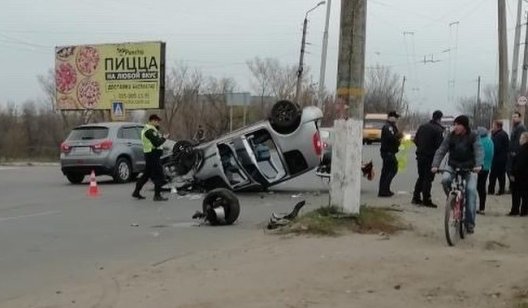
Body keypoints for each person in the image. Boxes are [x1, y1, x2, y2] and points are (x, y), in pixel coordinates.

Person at [431, 115, 484, 234]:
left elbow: (479, 150)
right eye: (454, 124)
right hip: (453, 165)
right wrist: (435, 165)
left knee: (470, 192)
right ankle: (452, 200)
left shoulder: (473, 136)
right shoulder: (450, 136)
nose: (455, 127)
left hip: (469, 168)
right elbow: (441, 150)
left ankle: (470, 223)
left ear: (464, 126)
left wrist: (479, 165)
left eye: (458, 125)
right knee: (445, 180)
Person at [411, 110, 445, 207]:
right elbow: (440, 145)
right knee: (428, 178)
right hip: (430, 157)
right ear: (439, 119)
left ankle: (416, 197)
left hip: (420, 155)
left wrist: (421, 147)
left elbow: (415, 140)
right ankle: (427, 199)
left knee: (421, 177)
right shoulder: (438, 130)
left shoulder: (422, 127)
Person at [132, 114, 169, 201]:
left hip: (150, 154)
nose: (158, 123)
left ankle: (136, 192)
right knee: (159, 174)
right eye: (156, 121)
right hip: (153, 155)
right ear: (152, 121)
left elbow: (155, 140)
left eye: (158, 121)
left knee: (146, 174)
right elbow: (157, 143)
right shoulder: (149, 131)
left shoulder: (151, 130)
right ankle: (157, 195)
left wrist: (159, 132)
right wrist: (164, 138)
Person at [378, 111, 402, 197]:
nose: (396, 119)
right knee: (392, 169)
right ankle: (384, 190)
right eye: (395, 117)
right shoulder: (388, 127)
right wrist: (398, 136)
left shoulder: (392, 126)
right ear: (391, 117)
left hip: (389, 152)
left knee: (386, 171)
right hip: (388, 152)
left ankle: (384, 190)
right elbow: (391, 138)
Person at [508, 132, 528, 216]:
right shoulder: (523, 149)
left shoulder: (523, 149)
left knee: (516, 194)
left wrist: (512, 173)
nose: (520, 140)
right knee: (525, 194)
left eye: (521, 138)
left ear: (525, 139)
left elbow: (519, 164)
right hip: (524, 176)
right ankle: (524, 210)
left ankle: (515, 210)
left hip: (520, 176)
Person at [507, 111, 527, 193]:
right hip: (512, 153)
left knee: (513, 171)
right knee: (510, 170)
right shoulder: (515, 127)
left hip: (516, 154)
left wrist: (516, 152)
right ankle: (512, 187)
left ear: (519, 118)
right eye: (513, 117)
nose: (514, 118)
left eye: (515, 117)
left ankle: (515, 188)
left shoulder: (521, 127)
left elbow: (521, 141)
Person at [488, 120, 509, 195]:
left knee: (494, 176)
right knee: (501, 176)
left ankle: (492, 190)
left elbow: (496, 147)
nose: (492, 127)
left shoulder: (499, 135)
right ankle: (501, 190)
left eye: (494, 126)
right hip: (502, 158)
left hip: (498, 159)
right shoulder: (503, 134)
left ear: (497, 126)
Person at [476, 127, 494, 215]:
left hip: (478, 167)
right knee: (482, 187)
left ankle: (473, 206)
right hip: (487, 168)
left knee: (476, 187)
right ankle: (482, 208)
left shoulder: (479, 142)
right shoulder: (490, 141)